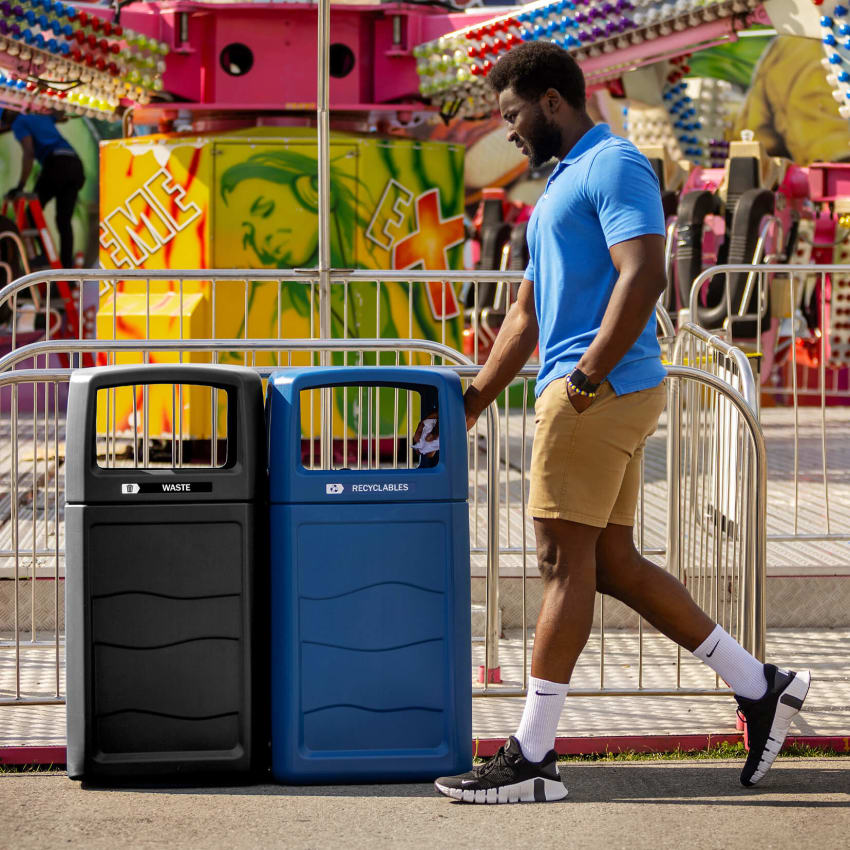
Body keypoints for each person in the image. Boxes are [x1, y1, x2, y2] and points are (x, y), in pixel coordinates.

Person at [417, 42, 811, 804]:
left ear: (554, 101)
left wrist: (588, 378)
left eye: (514, 116)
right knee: (613, 565)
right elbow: (526, 313)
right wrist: (474, 400)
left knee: (561, 565)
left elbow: (646, 272)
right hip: (593, 388)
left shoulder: (615, 164)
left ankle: (533, 757)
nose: (512, 133)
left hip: (595, 390)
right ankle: (761, 685)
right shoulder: (561, 185)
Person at [0, 109, 85, 269]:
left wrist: (20, 185)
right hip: (75, 165)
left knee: (31, 215)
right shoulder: (38, 116)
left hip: (57, 164)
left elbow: (29, 152)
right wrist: (55, 116)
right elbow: (58, 115)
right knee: (63, 222)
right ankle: (66, 271)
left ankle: (46, 257)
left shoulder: (19, 123)